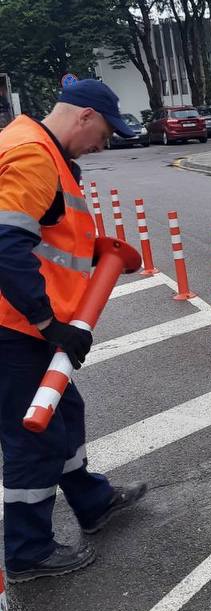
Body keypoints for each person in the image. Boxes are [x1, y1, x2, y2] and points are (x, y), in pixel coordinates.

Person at [0, 80, 147, 583]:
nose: (102, 145)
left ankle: (92, 500)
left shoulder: (30, 144)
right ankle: (27, 551)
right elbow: (6, 244)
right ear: (85, 116)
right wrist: (49, 323)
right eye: (104, 133)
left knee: (66, 412)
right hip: (15, 327)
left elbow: (43, 236)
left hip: (25, 325)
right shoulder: (34, 155)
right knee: (32, 437)